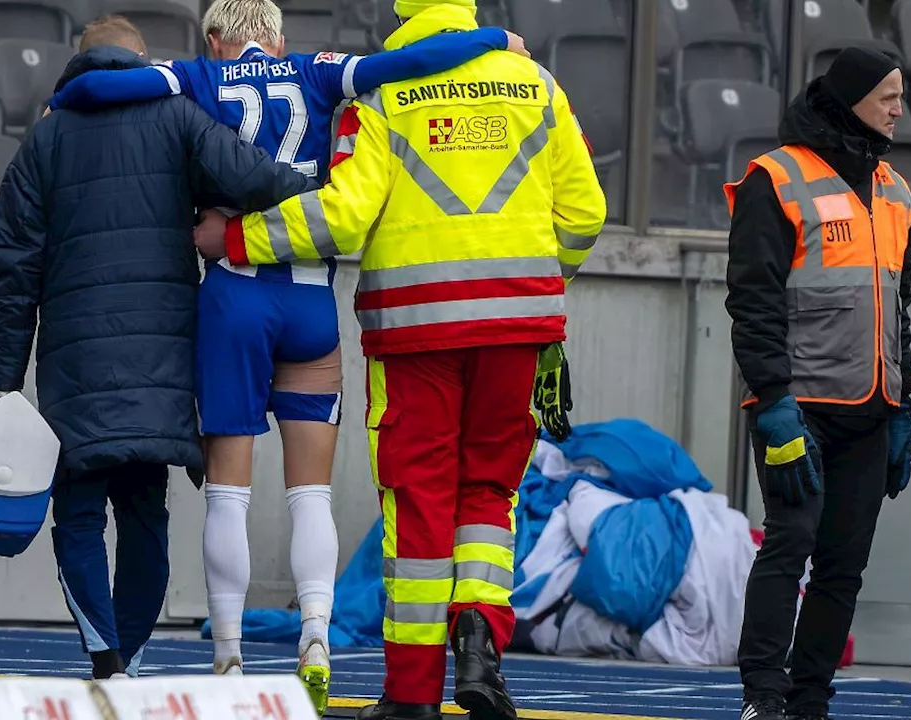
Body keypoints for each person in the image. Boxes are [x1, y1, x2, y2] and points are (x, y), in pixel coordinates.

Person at [48, 1, 526, 709]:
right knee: (311, 495)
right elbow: (411, 62)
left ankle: (230, 656)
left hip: (234, 297)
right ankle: (315, 638)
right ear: (277, 35)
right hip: (309, 300)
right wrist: (494, 38)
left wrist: (67, 90)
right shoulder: (317, 70)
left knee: (229, 494)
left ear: (218, 37)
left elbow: (100, 88)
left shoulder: (200, 76)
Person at [193, 0, 606, 717]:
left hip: (416, 331)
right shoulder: (536, 82)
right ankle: (478, 631)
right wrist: (538, 284)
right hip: (518, 325)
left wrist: (236, 241)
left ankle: (412, 694)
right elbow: (586, 214)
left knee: (418, 503)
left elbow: (343, 214)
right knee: (489, 494)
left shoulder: (381, 92)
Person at [0, 16, 316, 682]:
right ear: (145, 63)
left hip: (75, 367)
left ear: (80, 64)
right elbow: (251, 175)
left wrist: (6, 379)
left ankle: (104, 655)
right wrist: (327, 192)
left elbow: (12, 265)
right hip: (161, 364)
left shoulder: (46, 137)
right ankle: (127, 656)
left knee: (77, 515)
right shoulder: (176, 116)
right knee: (145, 515)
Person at [724, 47, 911, 720]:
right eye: (888, 95)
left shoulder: (895, 190)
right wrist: (773, 401)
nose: (900, 108)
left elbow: (898, 309)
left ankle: (809, 699)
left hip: (871, 408)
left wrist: (903, 409)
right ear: (851, 97)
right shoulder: (775, 178)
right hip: (797, 406)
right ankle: (763, 694)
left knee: (843, 564)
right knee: (791, 541)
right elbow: (753, 301)